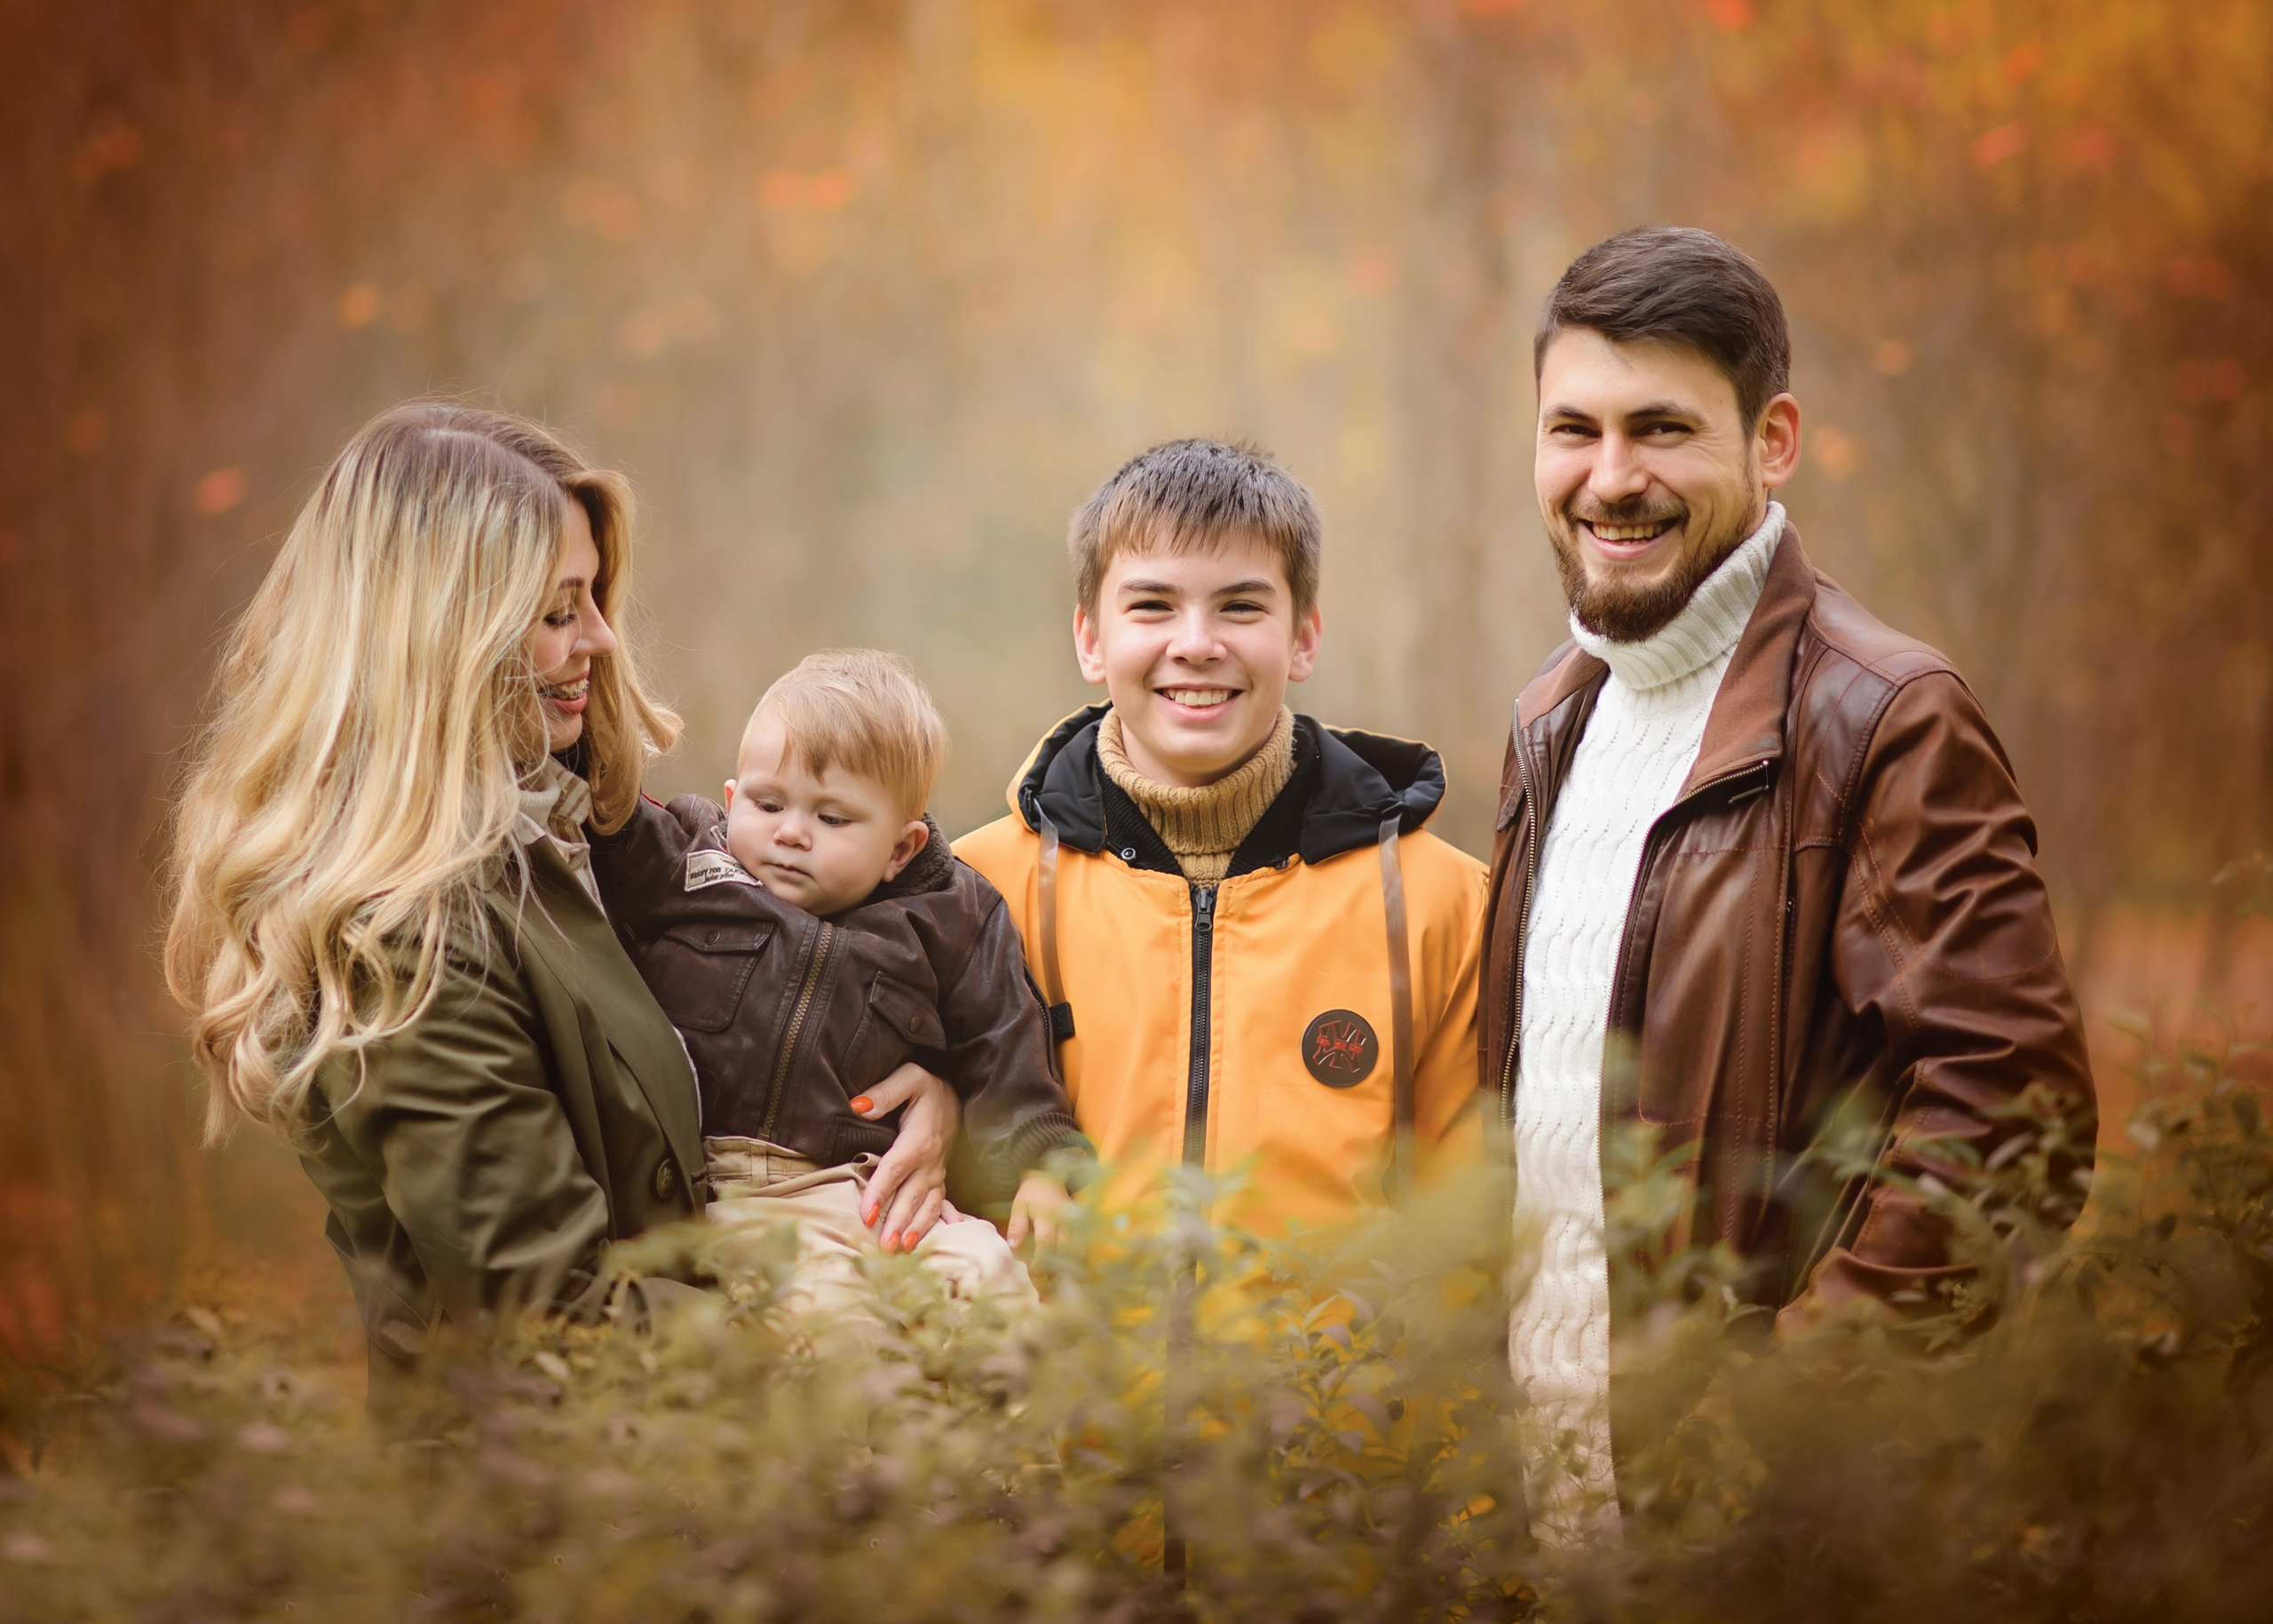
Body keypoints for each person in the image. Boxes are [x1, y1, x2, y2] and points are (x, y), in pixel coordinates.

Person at [1484, 227, 2095, 1522]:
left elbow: (2009, 1120)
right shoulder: (1550, 720)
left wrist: (1788, 1427)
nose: (1610, 478)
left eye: (1663, 429)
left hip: (1754, 1539)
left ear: (1773, 441)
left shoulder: (1882, 719)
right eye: (1573, 430)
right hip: (1542, 1528)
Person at [163, 405, 959, 1398]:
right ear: (445, 636)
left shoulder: (575, 837)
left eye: (593, 598)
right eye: (557, 612)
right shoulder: (408, 934)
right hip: (568, 1478)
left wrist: (917, 1101)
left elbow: (794, 978)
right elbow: (559, 1319)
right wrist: (857, 1356)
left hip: (698, 1441)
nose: (602, 637)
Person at [955, 440, 1488, 1237]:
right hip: (1059, 1326)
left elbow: (1465, 1232)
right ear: (1090, 639)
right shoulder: (975, 890)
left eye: (1241, 606)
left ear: (1304, 637)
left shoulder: (1440, 902)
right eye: (1152, 606)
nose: (1197, 643)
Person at [590, 648, 1088, 1321]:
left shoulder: (952, 916)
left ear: (901, 849)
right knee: (834, 1318)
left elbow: (1004, 1044)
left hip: (883, 1187)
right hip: (745, 1190)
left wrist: (1040, 1167)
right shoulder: (692, 863)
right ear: (733, 800)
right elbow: (606, 811)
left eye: (832, 819)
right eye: (769, 803)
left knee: (993, 1282)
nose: (792, 833)